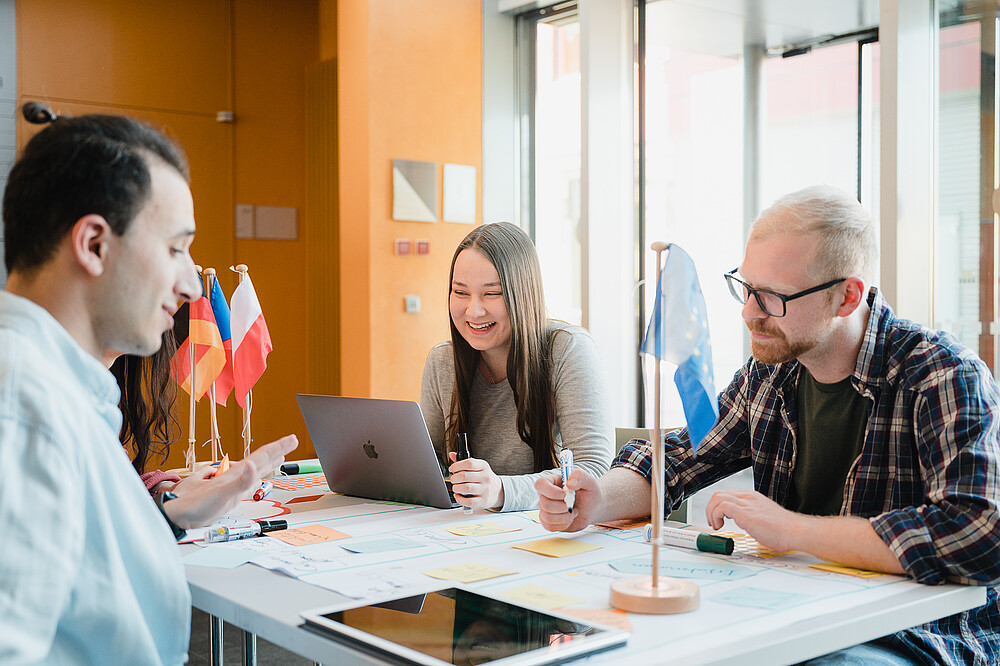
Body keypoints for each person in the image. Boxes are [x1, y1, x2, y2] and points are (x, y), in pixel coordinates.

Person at [535, 185, 1000, 665]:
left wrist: (792, 530)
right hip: (791, 617)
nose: (748, 313)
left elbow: (979, 533)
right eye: (746, 287)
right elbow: (679, 457)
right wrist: (598, 499)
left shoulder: (942, 375)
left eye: (772, 297)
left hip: (911, 637)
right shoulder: (772, 372)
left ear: (846, 297)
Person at [0, 107, 295, 663]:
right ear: (93, 244)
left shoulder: (54, 390)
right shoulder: (23, 408)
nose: (189, 285)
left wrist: (166, 516)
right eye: (175, 249)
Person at [421, 222, 613, 512]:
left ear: (522, 293)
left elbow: (594, 471)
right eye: (460, 293)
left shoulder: (568, 348)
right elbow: (430, 464)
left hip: (546, 531)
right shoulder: (442, 362)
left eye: (492, 293)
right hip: (467, 531)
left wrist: (501, 491)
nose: (473, 310)